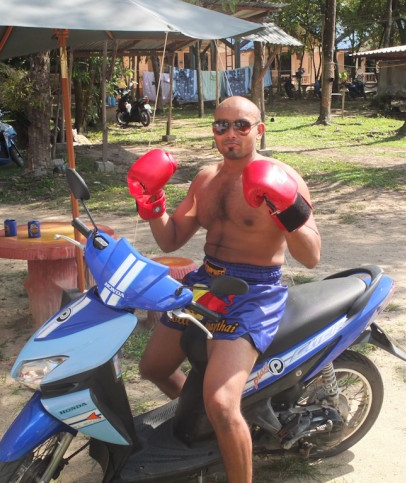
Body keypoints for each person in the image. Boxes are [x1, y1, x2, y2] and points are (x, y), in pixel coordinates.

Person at [126, 96, 321, 483]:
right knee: (152, 367)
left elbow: (312, 256)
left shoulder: (285, 176)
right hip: (206, 281)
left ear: (259, 130)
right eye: (221, 126)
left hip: (255, 291)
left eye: (241, 125)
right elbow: (171, 240)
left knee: (221, 401)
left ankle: (228, 440)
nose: (230, 133)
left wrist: (286, 210)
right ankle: (204, 427)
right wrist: (150, 202)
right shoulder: (206, 179)